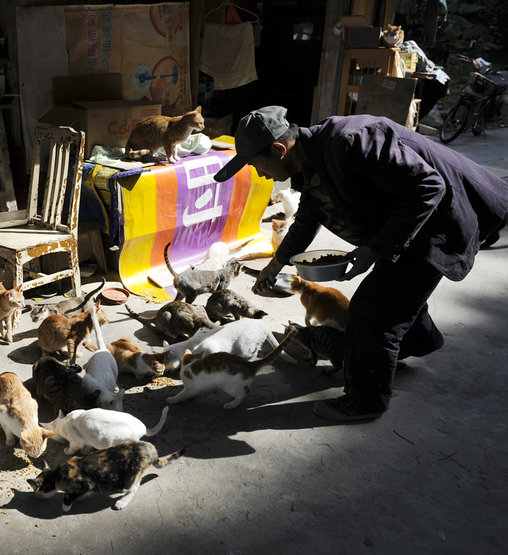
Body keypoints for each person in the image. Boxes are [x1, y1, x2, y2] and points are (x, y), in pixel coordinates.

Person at [213, 106, 508, 422]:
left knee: (370, 312)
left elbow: (428, 187)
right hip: (408, 228)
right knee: (393, 298)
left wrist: (374, 249)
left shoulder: (350, 142)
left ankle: (366, 401)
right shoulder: (311, 160)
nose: (260, 174)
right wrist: (277, 263)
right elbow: (311, 214)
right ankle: (420, 340)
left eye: (256, 165)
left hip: (438, 223)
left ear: (279, 149)